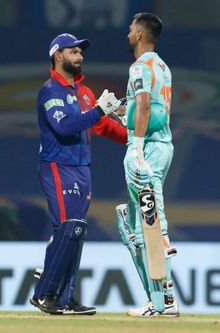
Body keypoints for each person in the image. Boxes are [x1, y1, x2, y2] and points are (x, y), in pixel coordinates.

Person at [30, 33, 123, 315]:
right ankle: (46, 294)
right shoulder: (50, 91)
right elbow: (65, 127)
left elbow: (101, 127)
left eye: (80, 52)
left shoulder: (84, 92)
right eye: (73, 52)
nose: (79, 56)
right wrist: (97, 111)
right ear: (58, 56)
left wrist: (133, 136)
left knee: (75, 233)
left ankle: (66, 298)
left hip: (83, 169)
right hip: (58, 166)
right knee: (68, 228)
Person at [118, 12, 178, 317]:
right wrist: (121, 113)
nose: (127, 34)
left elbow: (143, 105)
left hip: (147, 149)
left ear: (140, 34)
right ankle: (158, 300)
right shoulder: (163, 67)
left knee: (152, 222)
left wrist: (137, 146)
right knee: (131, 224)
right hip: (161, 146)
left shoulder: (140, 66)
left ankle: (165, 301)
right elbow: (151, 109)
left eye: (131, 29)